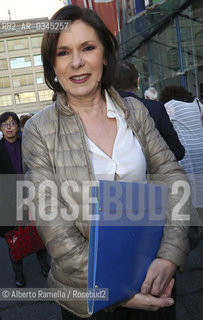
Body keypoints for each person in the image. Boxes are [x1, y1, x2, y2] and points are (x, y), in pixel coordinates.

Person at [22, 5, 191, 320]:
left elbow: (174, 180)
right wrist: (119, 288)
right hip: (88, 297)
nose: (76, 62)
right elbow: (54, 226)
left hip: (156, 281)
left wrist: (169, 257)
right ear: (52, 65)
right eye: (63, 52)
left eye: (87, 47)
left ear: (105, 54)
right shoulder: (38, 130)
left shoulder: (136, 112)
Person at [0, 111, 50, 288]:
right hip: (9, 201)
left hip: (32, 194)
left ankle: (44, 265)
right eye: (5, 124)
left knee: (38, 231)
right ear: (1, 128)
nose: (9, 127)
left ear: (17, 126)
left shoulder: (27, 144)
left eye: (12, 123)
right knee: (14, 238)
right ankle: (18, 274)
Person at [113, 60, 185, 161]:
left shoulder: (101, 111)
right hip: (156, 174)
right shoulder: (156, 108)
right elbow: (177, 151)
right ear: (138, 81)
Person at [159, 85, 203, 222]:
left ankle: (195, 222)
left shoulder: (169, 106)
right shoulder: (197, 103)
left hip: (187, 152)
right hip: (201, 147)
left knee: (190, 186)